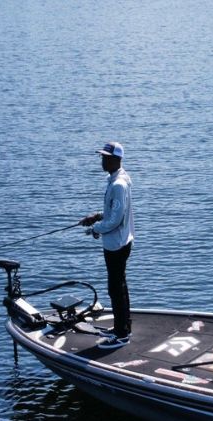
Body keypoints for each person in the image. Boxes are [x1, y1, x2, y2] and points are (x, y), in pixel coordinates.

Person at [80, 142, 135, 349]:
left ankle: (121, 334)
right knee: (119, 285)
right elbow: (113, 211)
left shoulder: (118, 184)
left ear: (116, 159)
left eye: (106, 157)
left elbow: (115, 220)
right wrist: (96, 216)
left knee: (115, 288)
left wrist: (96, 229)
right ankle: (124, 326)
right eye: (102, 156)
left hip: (116, 244)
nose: (102, 160)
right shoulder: (118, 179)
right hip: (120, 242)